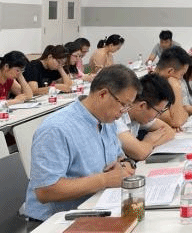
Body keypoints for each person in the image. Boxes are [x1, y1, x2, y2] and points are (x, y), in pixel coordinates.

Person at [24, 65, 139, 223]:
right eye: (123, 104)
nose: (124, 112)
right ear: (103, 94)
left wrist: (124, 165)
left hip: (94, 208)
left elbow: (118, 157)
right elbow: (45, 191)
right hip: (55, 222)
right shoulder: (56, 129)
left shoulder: (107, 120)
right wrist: (105, 180)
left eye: (128, 106)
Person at [116, 73, 176, 161]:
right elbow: (140, 153)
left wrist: (147, 145)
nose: (158, 116)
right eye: (158, 112)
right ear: (142, 106)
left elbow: (169, 131)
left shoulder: (139, 116)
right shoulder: (117, 118)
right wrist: (149, 141)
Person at [154, 46, 191, 129]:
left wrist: (182, 115)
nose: (181, 79)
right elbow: (177, 121)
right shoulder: (151, 88)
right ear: (170, 71)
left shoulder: (163, 84)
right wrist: (176, 87)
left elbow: (184, 114)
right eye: (181, 74)